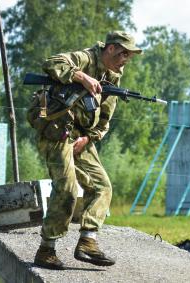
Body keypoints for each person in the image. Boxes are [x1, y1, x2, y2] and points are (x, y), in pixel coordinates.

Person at [33, 31, 142, 270]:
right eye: (124, 52)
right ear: (110, 48)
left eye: (130, 55)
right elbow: (51, 63)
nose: (126, 59)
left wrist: (88, 137)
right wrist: (81, 77)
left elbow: (105, 117)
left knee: (103, 187)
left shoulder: (113, 77)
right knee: (68, 189)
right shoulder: (85, 57)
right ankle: (46, 250)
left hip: (80, 136)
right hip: (56, 130)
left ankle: (87, 243)